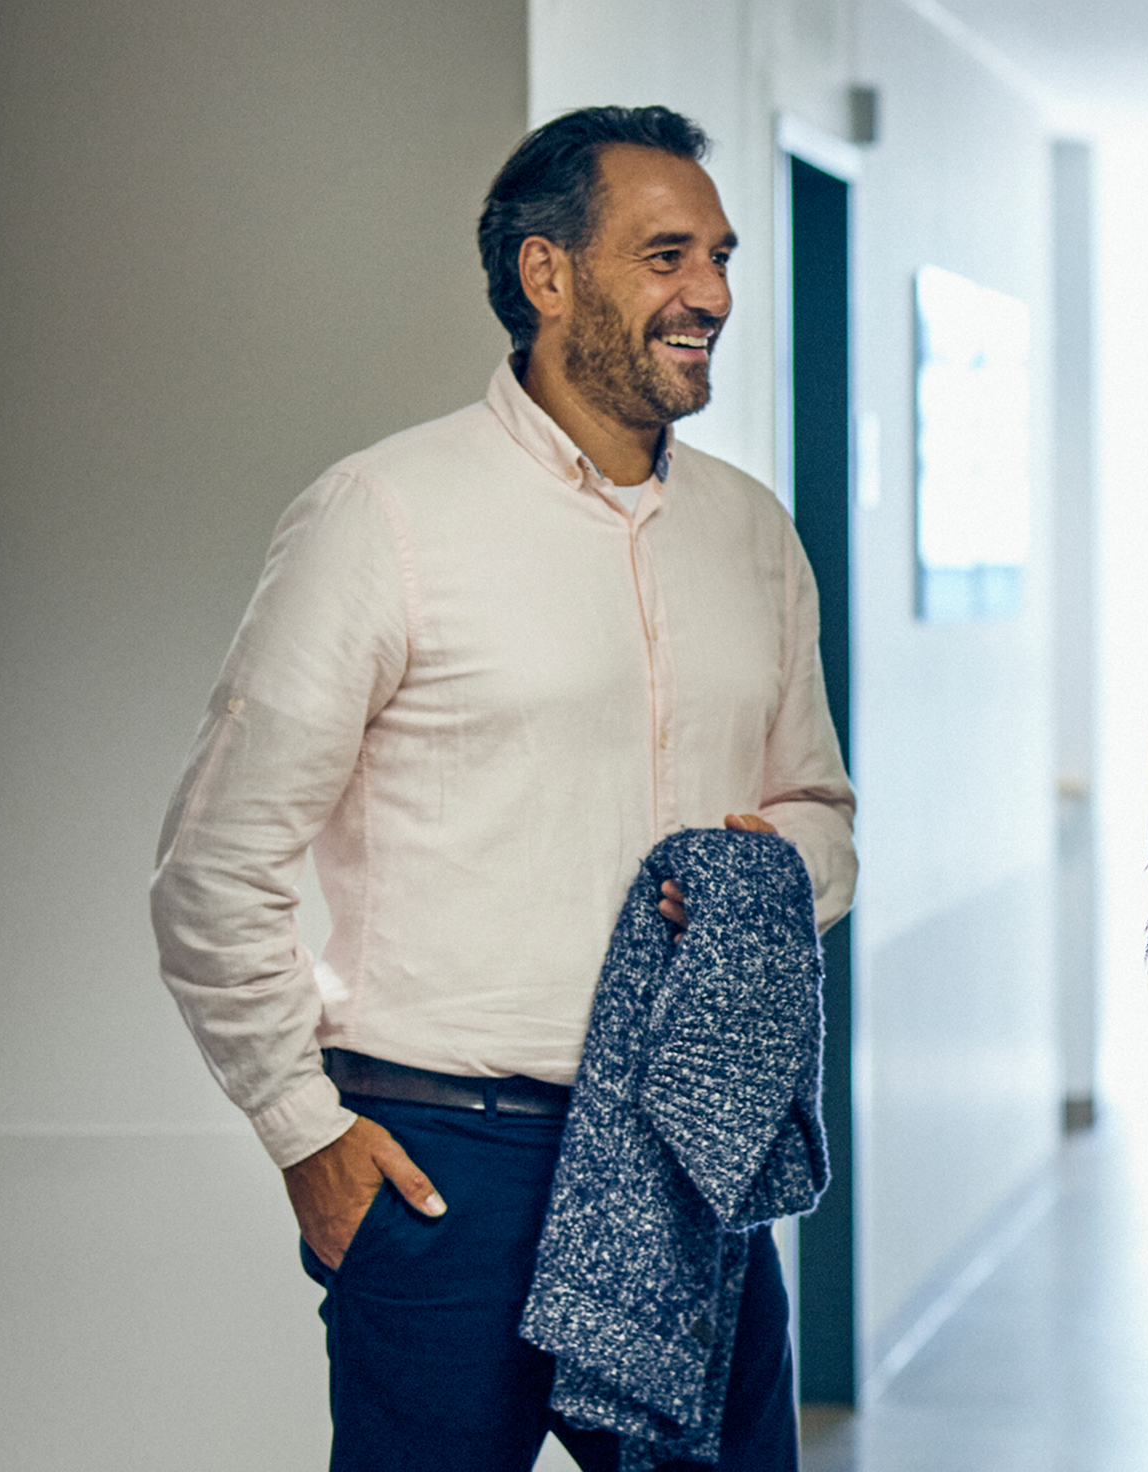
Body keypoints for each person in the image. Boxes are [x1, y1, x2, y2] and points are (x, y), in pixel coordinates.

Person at [149, 105, 853, 1472]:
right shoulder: (385, 515)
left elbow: (818, 810)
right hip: (448, 1162)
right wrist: (307, 1135)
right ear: (548, 275)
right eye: (664, 256)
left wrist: (763, 877)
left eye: (718, 256)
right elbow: (213, 870)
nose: (709, 293)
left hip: (687, 1157)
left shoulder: (751, 535)